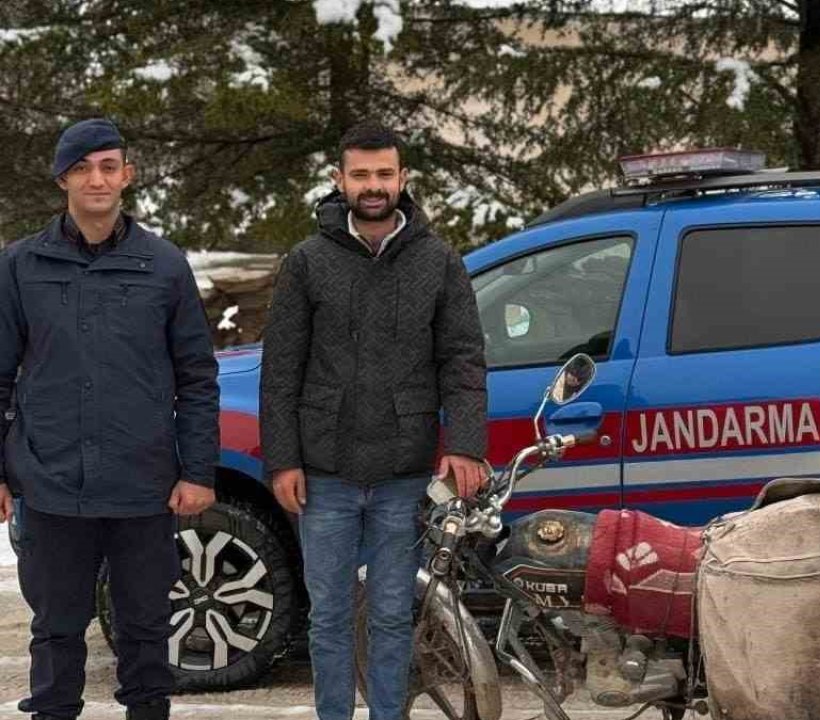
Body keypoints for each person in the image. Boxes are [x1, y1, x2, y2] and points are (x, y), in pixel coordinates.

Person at [260, 121, 488, 720]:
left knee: (391, 616)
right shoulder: (307, 263)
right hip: (324, 471)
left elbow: (462, 360)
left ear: (402, 179)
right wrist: (282, 459)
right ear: (340, 181)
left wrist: (463, 443)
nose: (373, 185)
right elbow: (281, 370)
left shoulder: (438, 262)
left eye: (384, 174)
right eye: (360, 175)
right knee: (330, 618)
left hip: (403, 470)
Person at [0, 118, 220, 720]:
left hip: (142, 485)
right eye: (82, 168)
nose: (96, 179)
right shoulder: (20, 266)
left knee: (146, 631)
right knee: (56, 631)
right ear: (62, 179)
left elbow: (197, 377)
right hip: (51, 484)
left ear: (127, 175)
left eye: (108, 166)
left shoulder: (165, 265)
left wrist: (198, 470)